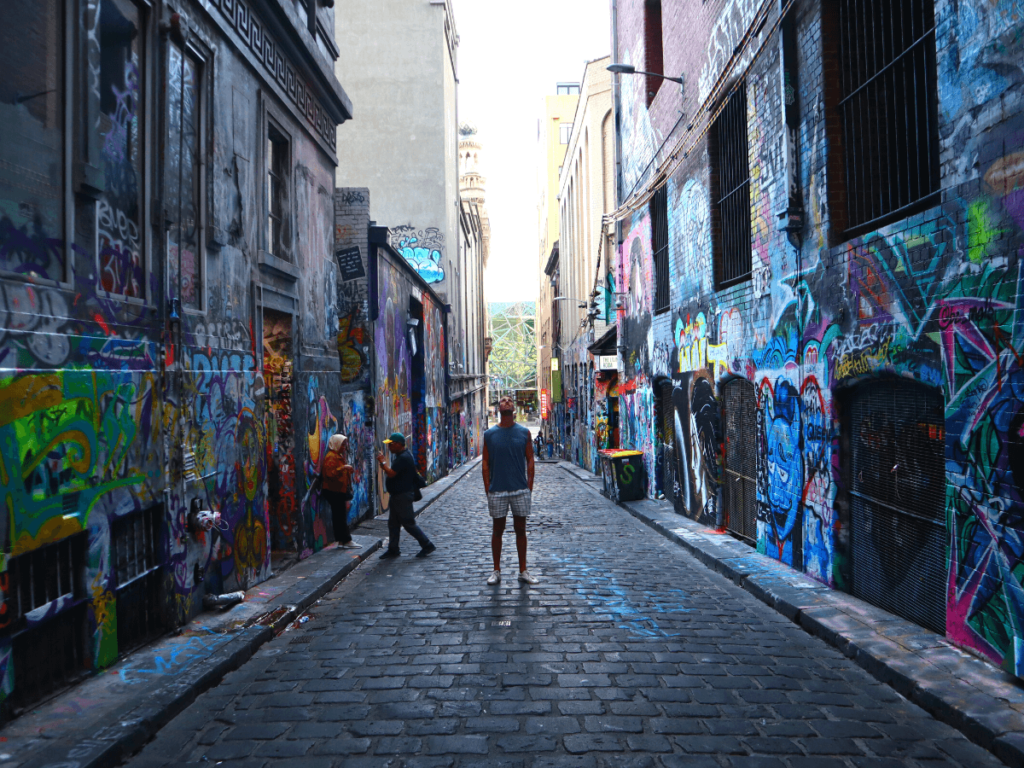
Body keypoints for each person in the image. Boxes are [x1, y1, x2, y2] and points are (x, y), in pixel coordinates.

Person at [482, 395, 537, 585]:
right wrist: (488, 488)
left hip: (519, 489)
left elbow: (530, 459)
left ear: (514, 408)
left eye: (509, 400)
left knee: (521, 529)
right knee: (497, 530)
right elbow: (485, 463)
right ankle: (496, 570)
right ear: (498, 409)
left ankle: (523, 570)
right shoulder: (489, 435)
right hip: (497, 490)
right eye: (502, 400)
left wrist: (529, 486)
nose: (506, 401)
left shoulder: (524, 433)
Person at [376, 432, 436, 559]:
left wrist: (382, 463)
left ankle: (427, 545)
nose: (389, 447)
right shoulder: (402, 455)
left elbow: (391, 473)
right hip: (398, 495)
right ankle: (393, 549)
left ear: (398, 444)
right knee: (393, 523)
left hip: (402, 496)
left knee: (408, 523)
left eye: (391, 445)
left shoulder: (403, 458)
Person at [322, 434, 360, 549]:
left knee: (339, 516)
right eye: (342, 444)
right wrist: (343, 468)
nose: (344, 446)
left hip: (338, 490)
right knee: (340, 516)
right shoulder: (331, 457)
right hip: (334, 491)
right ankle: (346, 540)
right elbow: (329, 474)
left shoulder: (337, 456)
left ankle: (341, 541)